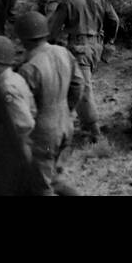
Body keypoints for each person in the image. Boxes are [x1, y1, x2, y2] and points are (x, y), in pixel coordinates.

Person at [48, 0, 119, 143]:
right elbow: (114, 20)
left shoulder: (67, 3)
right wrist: (109, 41)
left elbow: (52, 31)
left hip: (79, 48)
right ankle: (86, 123)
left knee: (83, 89)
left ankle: (95, 131)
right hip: (97, 46)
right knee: (83, 85)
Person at [14, 10, 82, 195]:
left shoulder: (29, 69)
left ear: (23, 38)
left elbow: (23, 107)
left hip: (43, 133)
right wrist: (69, 108)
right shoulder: (63, 52)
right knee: (57, 179)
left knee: (42, 186)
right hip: (66, 125)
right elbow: (78, 84)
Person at [0, 36, 35, 158]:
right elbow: (32, 108)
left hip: (14, 150)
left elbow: (25, 124)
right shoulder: (16, 78)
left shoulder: (7, 88)